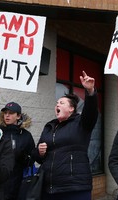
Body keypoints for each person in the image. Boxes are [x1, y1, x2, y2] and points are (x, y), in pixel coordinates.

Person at [32, 71, 98, 200]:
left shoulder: (81, 123)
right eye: (57, 103)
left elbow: (90, 110)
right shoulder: (49, 127)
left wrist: (90, 91)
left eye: (62, 103)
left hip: (75, 188)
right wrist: (39, 152)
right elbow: (37, 157)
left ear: (71, 109)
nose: (57, 104)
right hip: (49, 188)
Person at [0, 101, 35, 200]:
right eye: (5, 113)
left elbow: (32, 159)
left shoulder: (26, 135)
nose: (7, 116)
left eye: (11, 113)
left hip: (17, 181)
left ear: (18, 116)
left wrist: (23, 157)